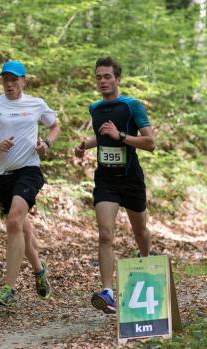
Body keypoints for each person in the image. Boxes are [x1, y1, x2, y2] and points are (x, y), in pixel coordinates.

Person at [0, 60, 60, 306]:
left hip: (29, 170)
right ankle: (39, 270)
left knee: (14, 221)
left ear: (23, 81)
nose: (9, 84)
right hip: (1, 175)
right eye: (5, 79)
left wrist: (46, 143)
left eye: (14, 79)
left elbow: (54, 126)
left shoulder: (36, 104)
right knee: (22, 228)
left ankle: (9, 288)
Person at [74, 57, 155, 314]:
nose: (102, 81)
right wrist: (85, 146)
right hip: (105, 180)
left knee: (140, 231)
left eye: (107, 76)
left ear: (117, 79)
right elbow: (103, 136)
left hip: (130, 179)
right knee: (105, 234)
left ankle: (147, 262)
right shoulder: (95, 108)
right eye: (99, 77)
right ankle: (108, 293)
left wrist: (120, 135)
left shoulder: (132, 106)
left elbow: (150, 143)